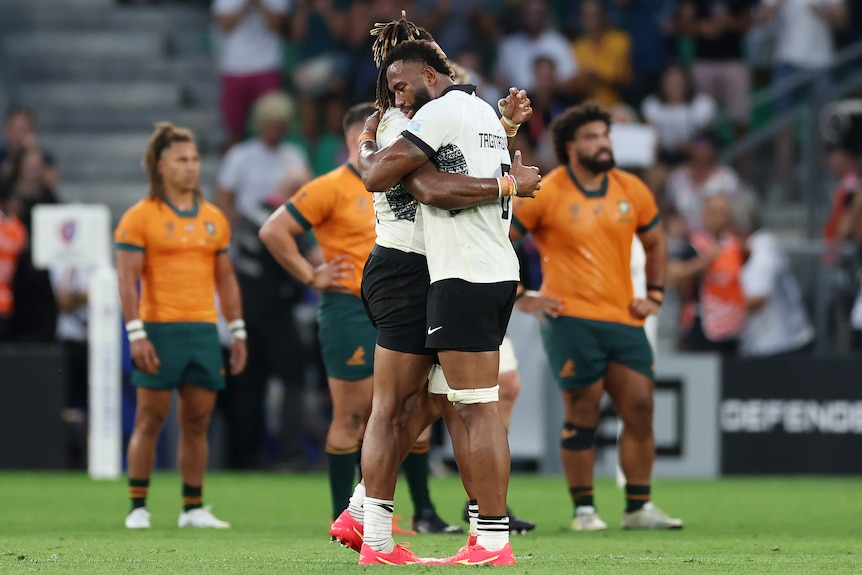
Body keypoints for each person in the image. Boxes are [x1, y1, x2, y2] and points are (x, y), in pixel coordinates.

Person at [327, 17, 540, 565]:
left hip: (448, 267)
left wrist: (504, 133)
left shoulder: (443, 111)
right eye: (394, 79)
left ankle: (375, 515)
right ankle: (379, 525)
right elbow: (418, 182)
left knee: (438, 402)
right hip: (408, 265)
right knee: (405, 405)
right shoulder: (407, 114)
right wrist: (370, 144)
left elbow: (455, 158)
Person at [258, 102, 462, 533]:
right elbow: (273, 230)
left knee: (409, 407)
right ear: (358, 138)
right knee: (353, 414)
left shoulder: (404, 179)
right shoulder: (329, 187)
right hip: (349, 308)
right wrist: (311, 274)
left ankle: (419, 512)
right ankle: (346, 515)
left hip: (404, 303)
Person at [511, 103, 683, 531]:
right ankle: (584, 510)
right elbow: (500, 236)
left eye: (605, 136)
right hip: (570, 319)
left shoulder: (631, 188)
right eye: (591, 137)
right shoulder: (547, 190)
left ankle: (639, 507)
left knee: (641, 406)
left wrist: (655, 293)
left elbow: (657, 242)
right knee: (583, 412)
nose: (603, 144)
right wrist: (520, 295)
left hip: (624, 317)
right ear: (571, 147)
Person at [116, 122, 248, 529]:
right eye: (182, 160)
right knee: (149, 419)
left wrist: (237, 329)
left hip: (203, 332)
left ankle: (193, 508)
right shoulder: (140, 217)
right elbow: (127, 279)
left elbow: (225, 278)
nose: (191, 168)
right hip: (159, 329)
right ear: (161, 166)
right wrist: (136, 333)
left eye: (194, 159)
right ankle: (138, 506)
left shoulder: (213, 219)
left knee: (197, 422)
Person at [216, 91, 312, 470]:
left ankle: (261, 454)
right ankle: (253, 454)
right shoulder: (241, 157)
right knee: (255, 375)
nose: (274, 130)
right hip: (257, 258)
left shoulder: (292, 157)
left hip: (269, 262)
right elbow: (225, 201)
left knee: (259, 374)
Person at [668, 194, 746, 354]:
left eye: (724, 213)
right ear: (704, 215)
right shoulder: (695, 245)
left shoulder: (735, 245)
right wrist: (705, 260)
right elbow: (672, 276)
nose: (719, 219)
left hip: (732, 328)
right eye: (714, 213)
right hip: (701, 327)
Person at [734, 200, 814, 356]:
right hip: (766, 342)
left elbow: (757, 299)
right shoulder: (743, 249)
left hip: (781, 342)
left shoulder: (763, 247)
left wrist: (717, 308)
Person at [212, 0, 290, 149]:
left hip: (267, 65)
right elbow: (224, 26)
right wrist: (245, 4)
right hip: (234, 66)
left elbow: (276, 26)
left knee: (272, 125)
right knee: (234, 129)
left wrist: (260, 4)